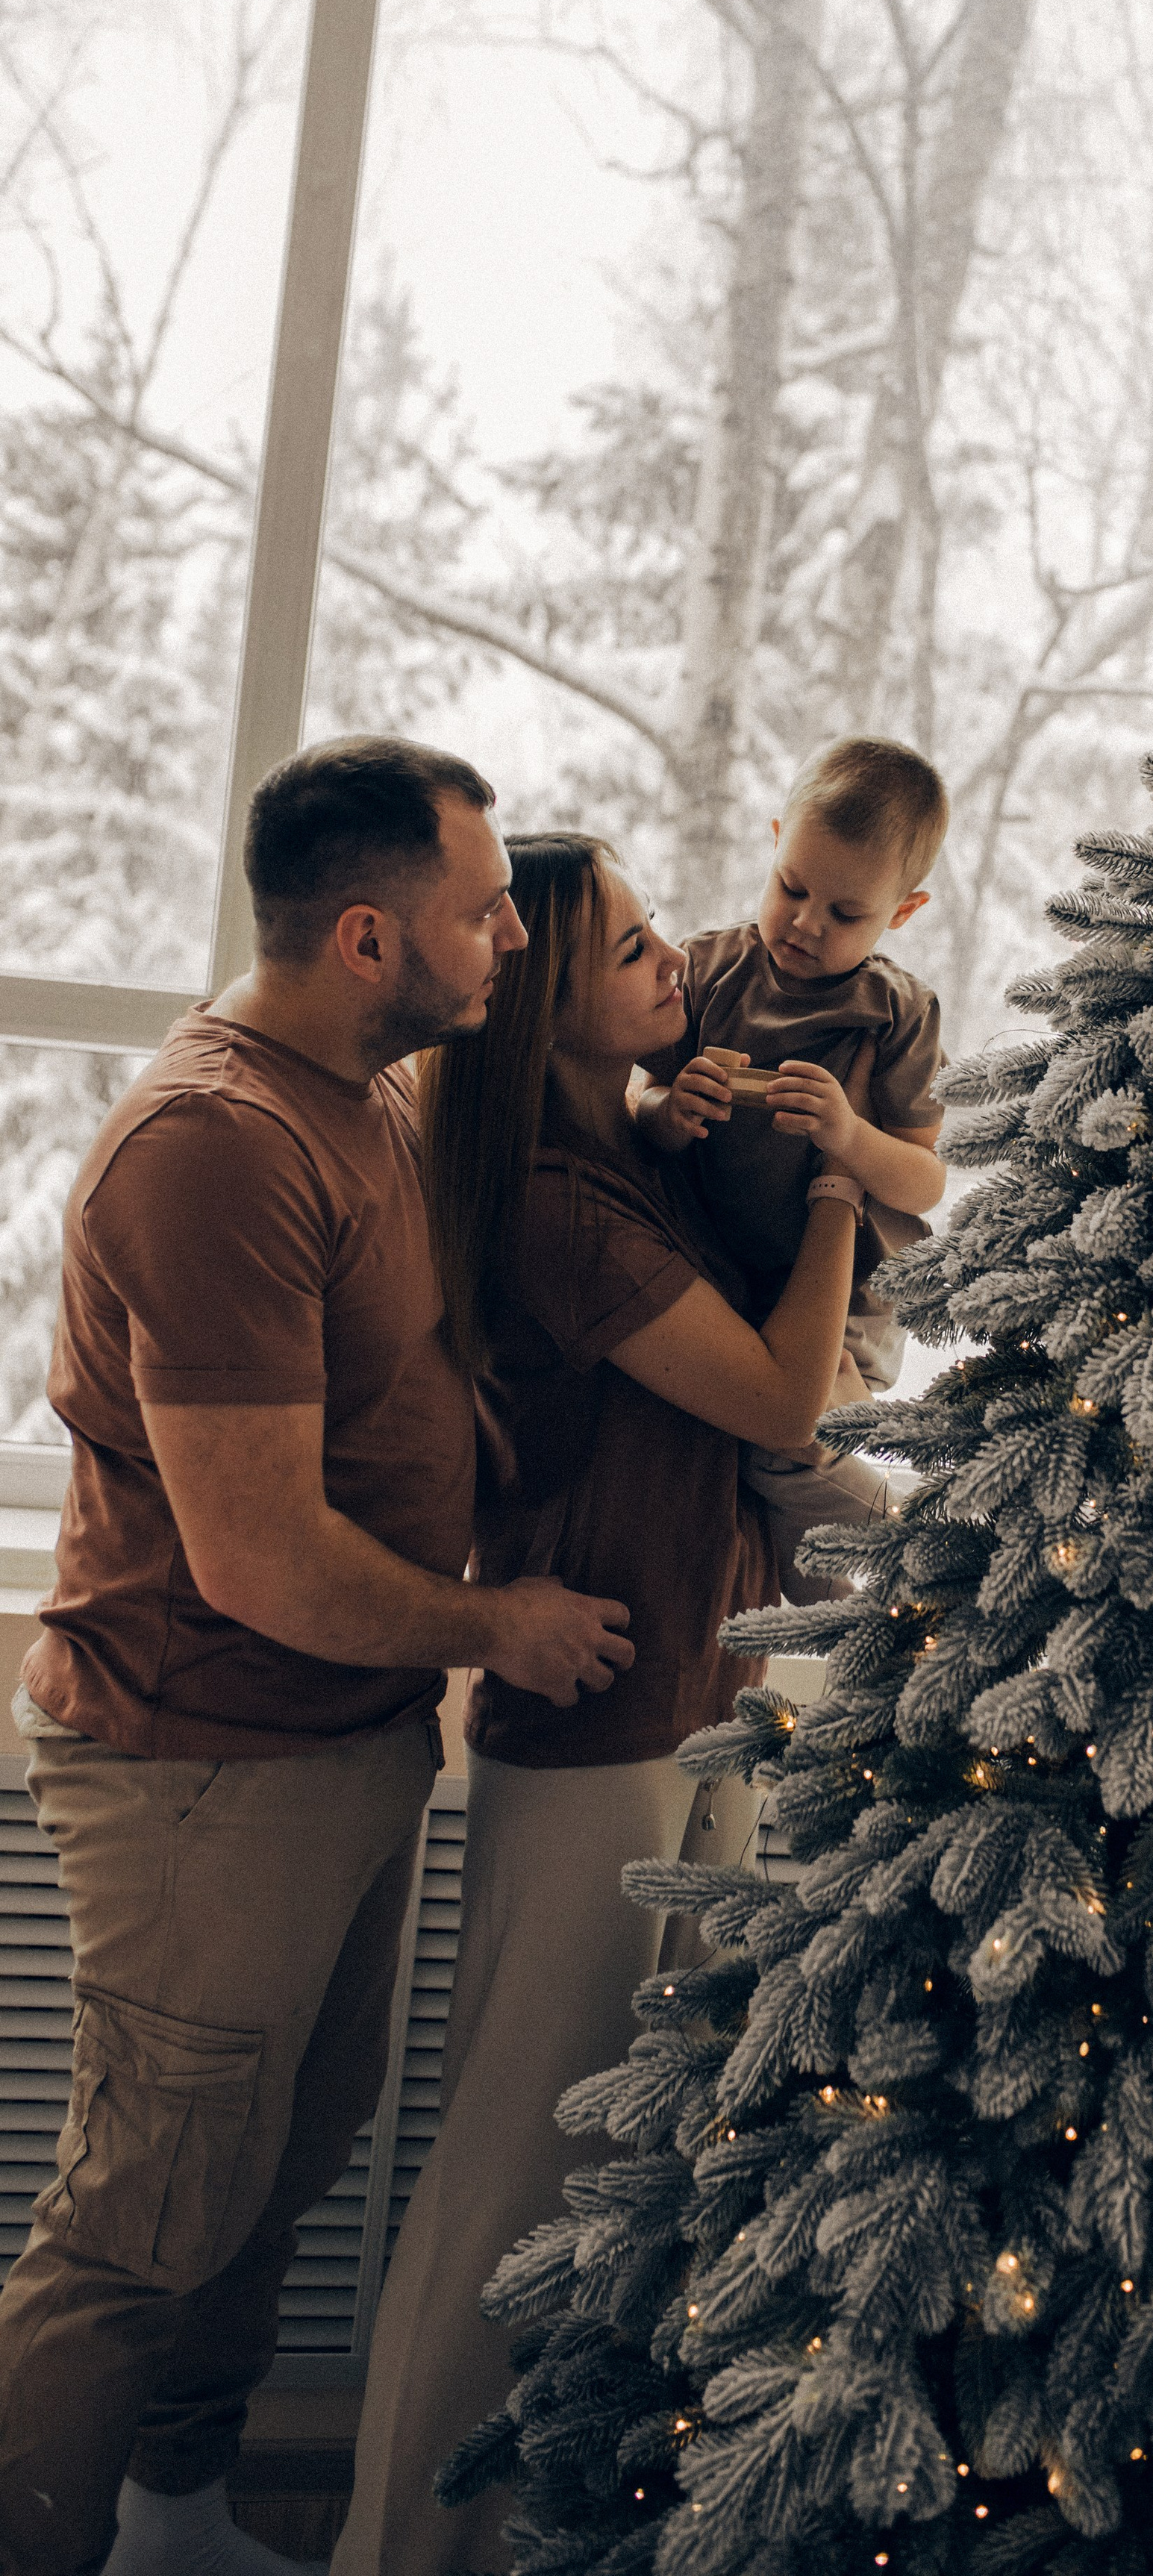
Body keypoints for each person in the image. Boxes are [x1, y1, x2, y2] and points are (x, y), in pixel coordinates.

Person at [0, 739, 633, 2576]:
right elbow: (260, 1555)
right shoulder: (216, 1149)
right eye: (481, 911)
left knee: (272, 2172)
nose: (513, 938)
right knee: (141, 2223)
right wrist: (499, 1624)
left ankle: (171, 2519)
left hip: (340, 1740)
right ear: (367, 937)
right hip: (206, 1769)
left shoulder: (367, 1098)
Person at [331, 833, 872, 2576]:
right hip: (597, 1734)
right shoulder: (561, 1207)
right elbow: (782, 1395)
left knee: (624, 2172)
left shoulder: (629, 1164)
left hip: (694, 1701)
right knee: (513, 2175)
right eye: (633, 948)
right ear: (548, 1005)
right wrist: (846, 1190)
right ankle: (398, 2551)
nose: (677, 963)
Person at [638, 736, 949, 1588]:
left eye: (845, 914)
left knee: (790, 1454)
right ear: (775, 843)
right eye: (792, 888)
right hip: (722, 1284)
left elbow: (925, 1180)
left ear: (903, 912)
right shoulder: (709, 969)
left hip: (843, 1307)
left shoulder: (896, 1012)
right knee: (738, 1467)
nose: (807, 924)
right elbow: (637, 1106)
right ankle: (824, 1603)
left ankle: (919, 1548)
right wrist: (671, 1110)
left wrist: (850, 1137)